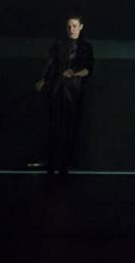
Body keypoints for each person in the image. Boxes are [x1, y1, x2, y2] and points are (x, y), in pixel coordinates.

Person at [35, 14, 95, 176]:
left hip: (74, 93)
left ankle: (63, 165)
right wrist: (42, 79)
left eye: (75, 26)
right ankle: (51, 164)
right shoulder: (59, 44)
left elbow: (88, 69)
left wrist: (74, 72)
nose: (71, 29)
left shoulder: (85, 47)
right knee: (54, 128)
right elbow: (50, 62)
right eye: (69, 26)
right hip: (57, 91)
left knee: (69, 130)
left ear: (81, 27)